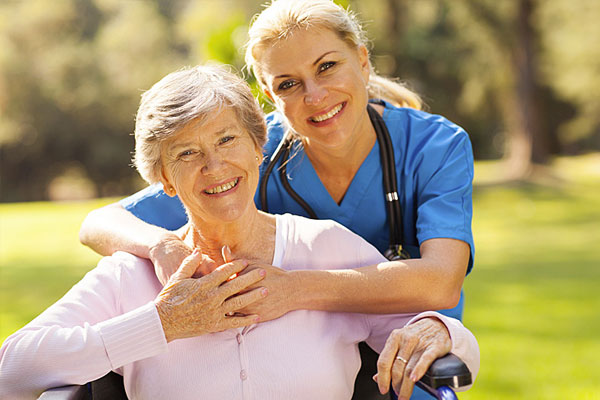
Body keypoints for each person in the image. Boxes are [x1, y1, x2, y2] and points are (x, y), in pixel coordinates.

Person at [0, 65, 479, 400]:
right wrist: (163, 325)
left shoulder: (326, 247)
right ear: (162, 178)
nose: (213, 166)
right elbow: (10, 370)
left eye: (227, 139)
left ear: (258, 147)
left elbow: (456, 349)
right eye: (185, 153)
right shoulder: (131, 277)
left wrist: (438, 329)